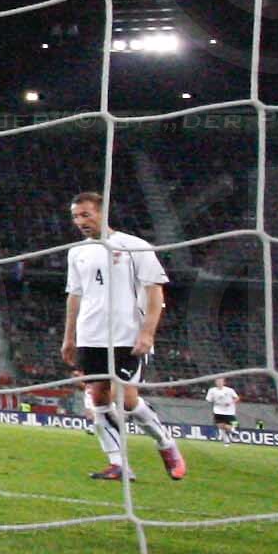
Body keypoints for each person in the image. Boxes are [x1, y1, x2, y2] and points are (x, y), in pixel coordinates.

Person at [61, 192, 187, 482]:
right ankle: (118, 464)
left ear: (102, 213)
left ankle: (166, 444)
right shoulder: (76, 252)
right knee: (98, 396)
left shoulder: (134, 246)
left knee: (127, 398)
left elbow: (155, 291)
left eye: (86, 215)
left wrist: (148, 332)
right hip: (91, 337)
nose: (81, 222)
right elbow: (74, 296)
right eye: (76, 216)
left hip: (126, 336)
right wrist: (69, 337)